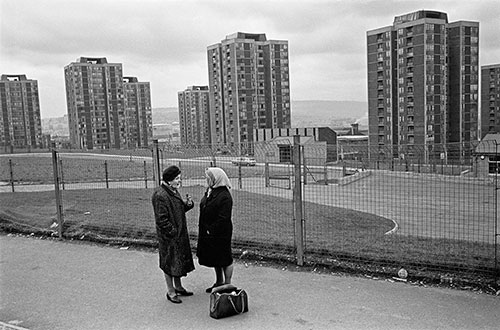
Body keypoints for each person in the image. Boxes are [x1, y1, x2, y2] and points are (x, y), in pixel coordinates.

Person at [151, 165, 195, 304]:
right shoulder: (160, 195)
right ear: (169, 180)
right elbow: (161, 219)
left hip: (178, 234)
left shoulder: (172, 191)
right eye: (177, 179)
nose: (179, 181)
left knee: (177, 261)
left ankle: (178, 287)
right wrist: (172, 232)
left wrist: (187, 204)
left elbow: (177, 209)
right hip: (169, 237)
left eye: (179, 178)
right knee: (169, 263)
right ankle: (171, 291)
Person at [196, 167, 234, 293]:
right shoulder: (211, 191)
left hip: (220, 233)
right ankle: (219, 282)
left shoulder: (225, 196)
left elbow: (224, 218)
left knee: (225, 258)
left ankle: (227, 285)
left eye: (209, 178)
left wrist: (210, 230)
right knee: (216, 257)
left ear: (216, 179)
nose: (206, 180)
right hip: (208, 231)